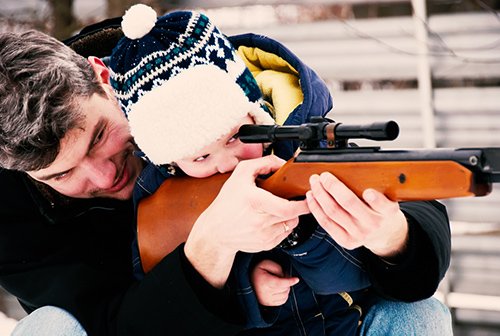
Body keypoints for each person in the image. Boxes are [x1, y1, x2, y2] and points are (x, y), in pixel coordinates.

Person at [0, 7, 452, 336]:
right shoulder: (13, 218)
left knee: (418, 309)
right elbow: (113, 325)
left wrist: (396, 239)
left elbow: (386, 187)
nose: (102, 178)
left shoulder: (193, 77)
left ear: (103, 77)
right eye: (62, 176)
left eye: (99, 136)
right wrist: (210, 251)